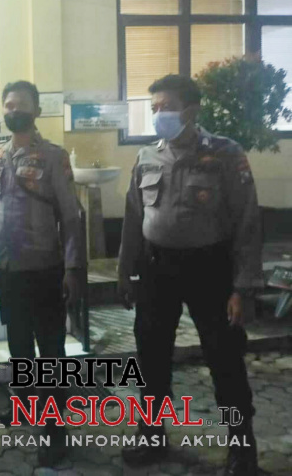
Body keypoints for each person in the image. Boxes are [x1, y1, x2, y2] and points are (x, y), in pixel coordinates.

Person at [118, 74, 264, 475]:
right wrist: (125, 271)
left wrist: (243, 287)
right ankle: (151, 436)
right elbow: (133, 218)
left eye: (167, 107)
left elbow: (247, 222)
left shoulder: (226, 154)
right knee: (151, 358)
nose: (159, 115)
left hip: (210, 269)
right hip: (156, 269)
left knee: (225, 359)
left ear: (192, 110)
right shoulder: (146, 157)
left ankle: (241, 449)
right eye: (154, 108)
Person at [0, 80, 86, 467]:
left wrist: (72, 267)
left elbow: (71, 217)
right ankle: (23, 404)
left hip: (45, 269)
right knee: (18, 345)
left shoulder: (53, 157)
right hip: (8, 269)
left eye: (20, 104)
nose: (13, 110)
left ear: (36, 110)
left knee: (50, 350)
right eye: (8, 104)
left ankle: (55, 430)